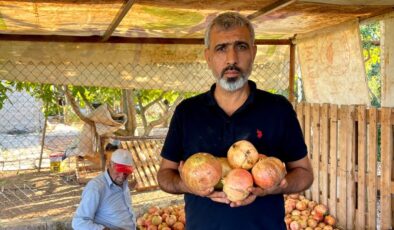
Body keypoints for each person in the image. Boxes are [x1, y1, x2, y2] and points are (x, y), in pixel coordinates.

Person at [157, 12, 314, 230]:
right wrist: (188, 185)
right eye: (221, 48)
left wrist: (273, 187)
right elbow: (164, 175)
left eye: (241, 46)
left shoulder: (278, 109)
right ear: (208, 56)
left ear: (254, 52)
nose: (231, 59)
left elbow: (305, 174)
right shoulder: (187, 112)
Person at [72, 149, 137, 230]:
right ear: (109, 165)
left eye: (126, 172)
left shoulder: (123, 183)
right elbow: (78, 222)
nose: (122, 176)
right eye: (119, 170)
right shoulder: (96, 187)